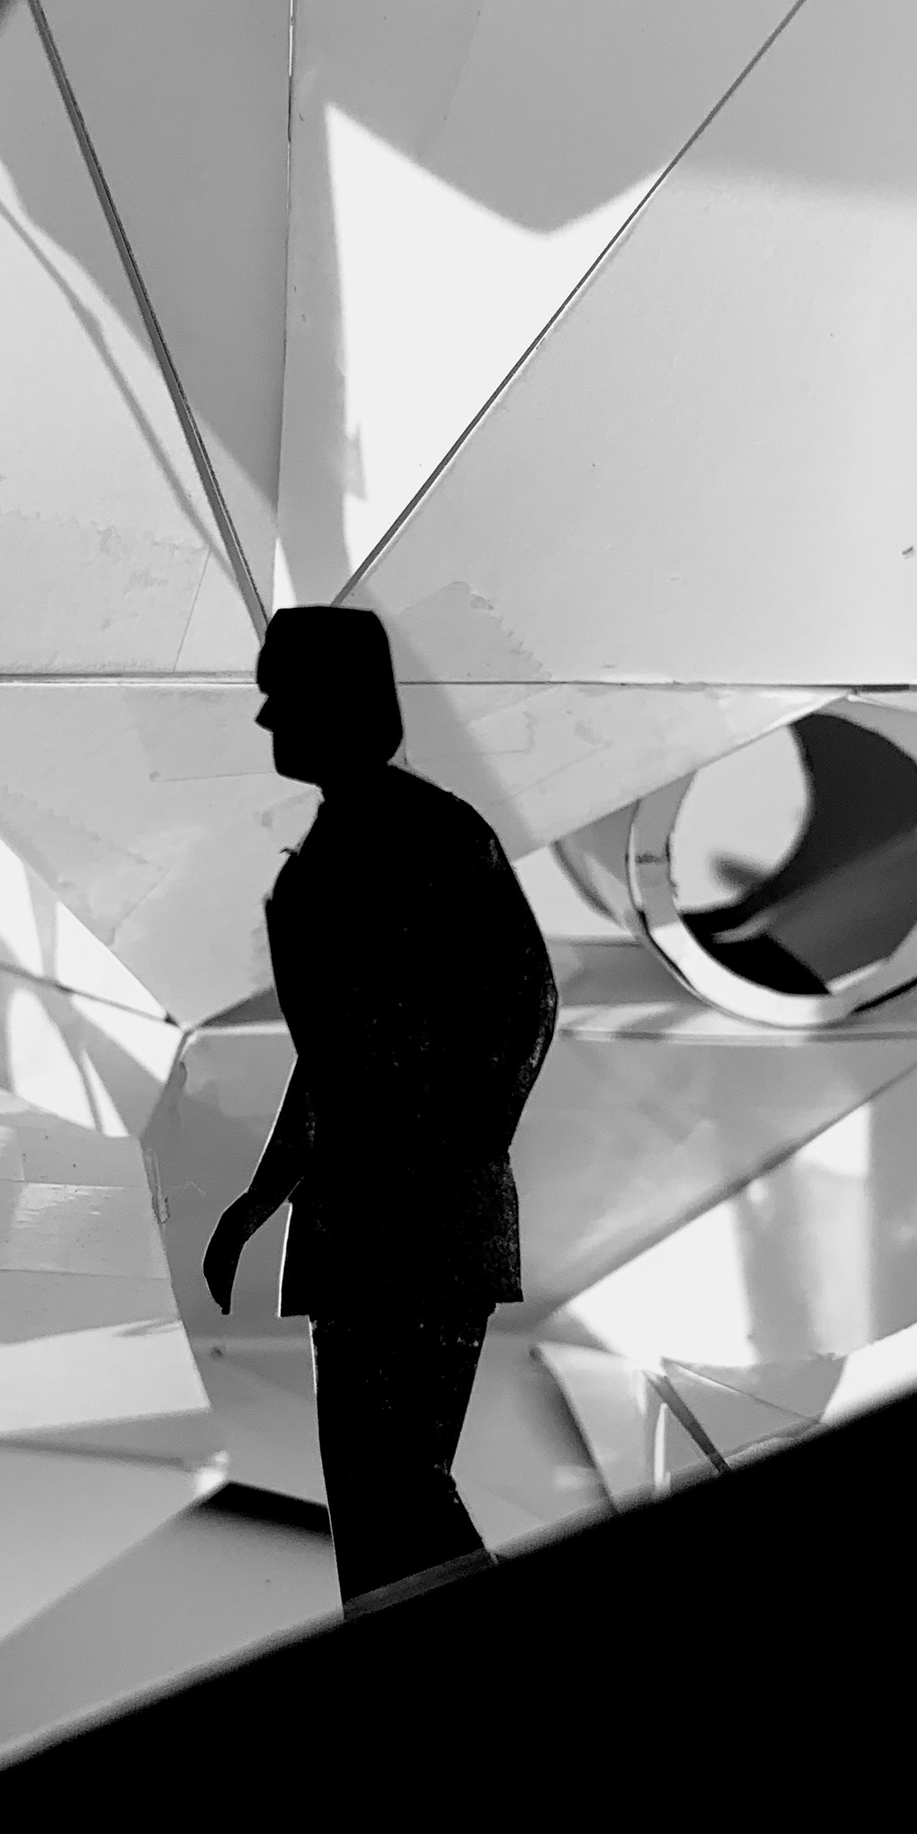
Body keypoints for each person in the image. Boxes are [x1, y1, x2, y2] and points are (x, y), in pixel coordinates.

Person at [202, 608, 558, 1611]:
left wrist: (438, 1156)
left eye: (281, 693)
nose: (265, 716)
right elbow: (332, 1061)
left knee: (397, 1489)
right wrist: (264, 1197)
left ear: (342, 702)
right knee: (371, 1500)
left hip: (415, 1222)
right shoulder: (339, 847)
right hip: (363, 1221)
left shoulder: (429, 835)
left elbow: (522, 1005)